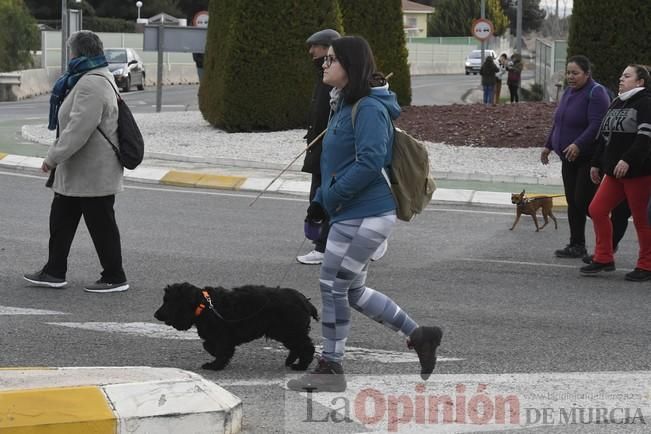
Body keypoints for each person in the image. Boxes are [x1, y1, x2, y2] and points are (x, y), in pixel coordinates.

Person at [286, 36, 443, 393]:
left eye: (330, 60)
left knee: (332, 285)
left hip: (369, 213)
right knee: (351, 289)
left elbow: (371, 161)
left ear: (349, 66)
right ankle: (420, 335)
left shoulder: (369, 108)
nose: (324, 65)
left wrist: (329, 196)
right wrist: (327, 199)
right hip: (351, 212)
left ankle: (331, 366)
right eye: (324, 60)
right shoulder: (345, 102)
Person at [23, 30, 129, 293]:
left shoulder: (92, 83)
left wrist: (52, 158)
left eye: (71, 51)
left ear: (79, 53)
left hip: (92, 172)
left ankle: (115, 277)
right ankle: (54, 271)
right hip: (81, 171)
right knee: (61, 220)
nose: (69, 56)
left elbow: (78, 129)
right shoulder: (93, 77)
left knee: (102, 225)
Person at [580, 64, 651, 281]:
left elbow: (645, 136)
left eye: (627, 76)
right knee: (596, 209)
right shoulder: (617, 101)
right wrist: (596, 163)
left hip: (639, 172)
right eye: (621, 75)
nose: (621, 79)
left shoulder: (646, 102)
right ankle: (604, 257)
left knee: (642, 220)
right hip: (614, 172)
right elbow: (604, 136)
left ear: (640, 82)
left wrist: (628, 159)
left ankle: (646, 265)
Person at [541, 55, 611, 259]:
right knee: (573, 202)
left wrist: (578, 144)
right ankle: (577, 244)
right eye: (568, 73)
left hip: (588, 159)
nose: (570, 77)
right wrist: (548, 146)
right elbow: (559, 121)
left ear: (587, 74)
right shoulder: (569, 92)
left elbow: (597, 124)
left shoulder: (596, 93)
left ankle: (607, 245)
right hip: (568, 159)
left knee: (586, 202)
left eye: (575, 73)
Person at [296, 28, 340, 265]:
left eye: (316, 46)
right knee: (320, 196)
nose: (311, 51)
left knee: (323, 198)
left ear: (328, 48)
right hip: (319, 148)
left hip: (328, 151)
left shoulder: (335, 77)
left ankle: (324, 247)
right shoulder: (323, 75)